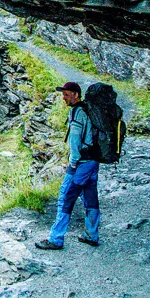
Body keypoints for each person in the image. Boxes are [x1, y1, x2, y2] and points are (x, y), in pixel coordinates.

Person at [35, 81, 102, 249]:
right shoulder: (88, 109)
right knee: (90, 197)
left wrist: (72, 164)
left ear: (76, 95)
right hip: (94, 161)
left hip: (81, 163)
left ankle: (56, 239)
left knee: (65, 197)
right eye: (63, 94)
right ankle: (91, 234)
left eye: (66, 94)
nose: (64, 98)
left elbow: (75, 141)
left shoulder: (77, 112)